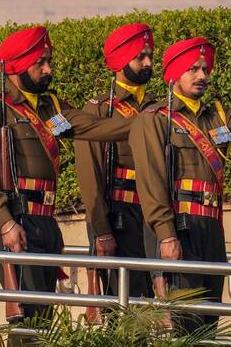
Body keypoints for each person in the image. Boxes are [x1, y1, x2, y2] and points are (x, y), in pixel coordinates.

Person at [0, 25, 131, 329]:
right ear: (17, 65)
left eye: (49, 62)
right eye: (40, 63)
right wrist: (5, 222)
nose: (48, 69)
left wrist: (146, 126)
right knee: (27, 322)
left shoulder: (50, 107)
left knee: (42, 320)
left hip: (44, 222)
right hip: (13, 220)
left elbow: (94, 128)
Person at [130, 36, 231, 333]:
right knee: (182, 323)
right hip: (177, 228)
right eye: (193, 69)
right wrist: (166, 235)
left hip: (211, 228)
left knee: (209, 322)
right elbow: (151, 183)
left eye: (205, 69)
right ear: (174, 74)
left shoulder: (216, 117)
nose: (202, 76)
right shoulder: (155, 119)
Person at [75, 23, 158, 299]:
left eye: (150, 56)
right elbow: (91, 176)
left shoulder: (158, 107)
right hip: (121, 217)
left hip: (156, 218)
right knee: (125, 308)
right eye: (140, 57)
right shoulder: (99, 109)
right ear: (121, 60)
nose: (147, 63)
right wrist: (101, 230)